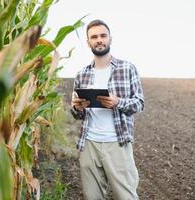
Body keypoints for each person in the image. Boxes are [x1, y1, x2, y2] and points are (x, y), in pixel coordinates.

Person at [71, 19, 144, 200]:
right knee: (92, 196)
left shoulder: (127, 69)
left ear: (110, 39)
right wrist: (77, 107)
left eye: (103, 35)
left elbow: (139, 103)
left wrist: (117, 102)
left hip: (117, 143)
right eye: (94, 37)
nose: (99, 40)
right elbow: (77, 114)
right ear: (88, 43)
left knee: (126, 196)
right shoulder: (82, 74)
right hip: (89, 144)